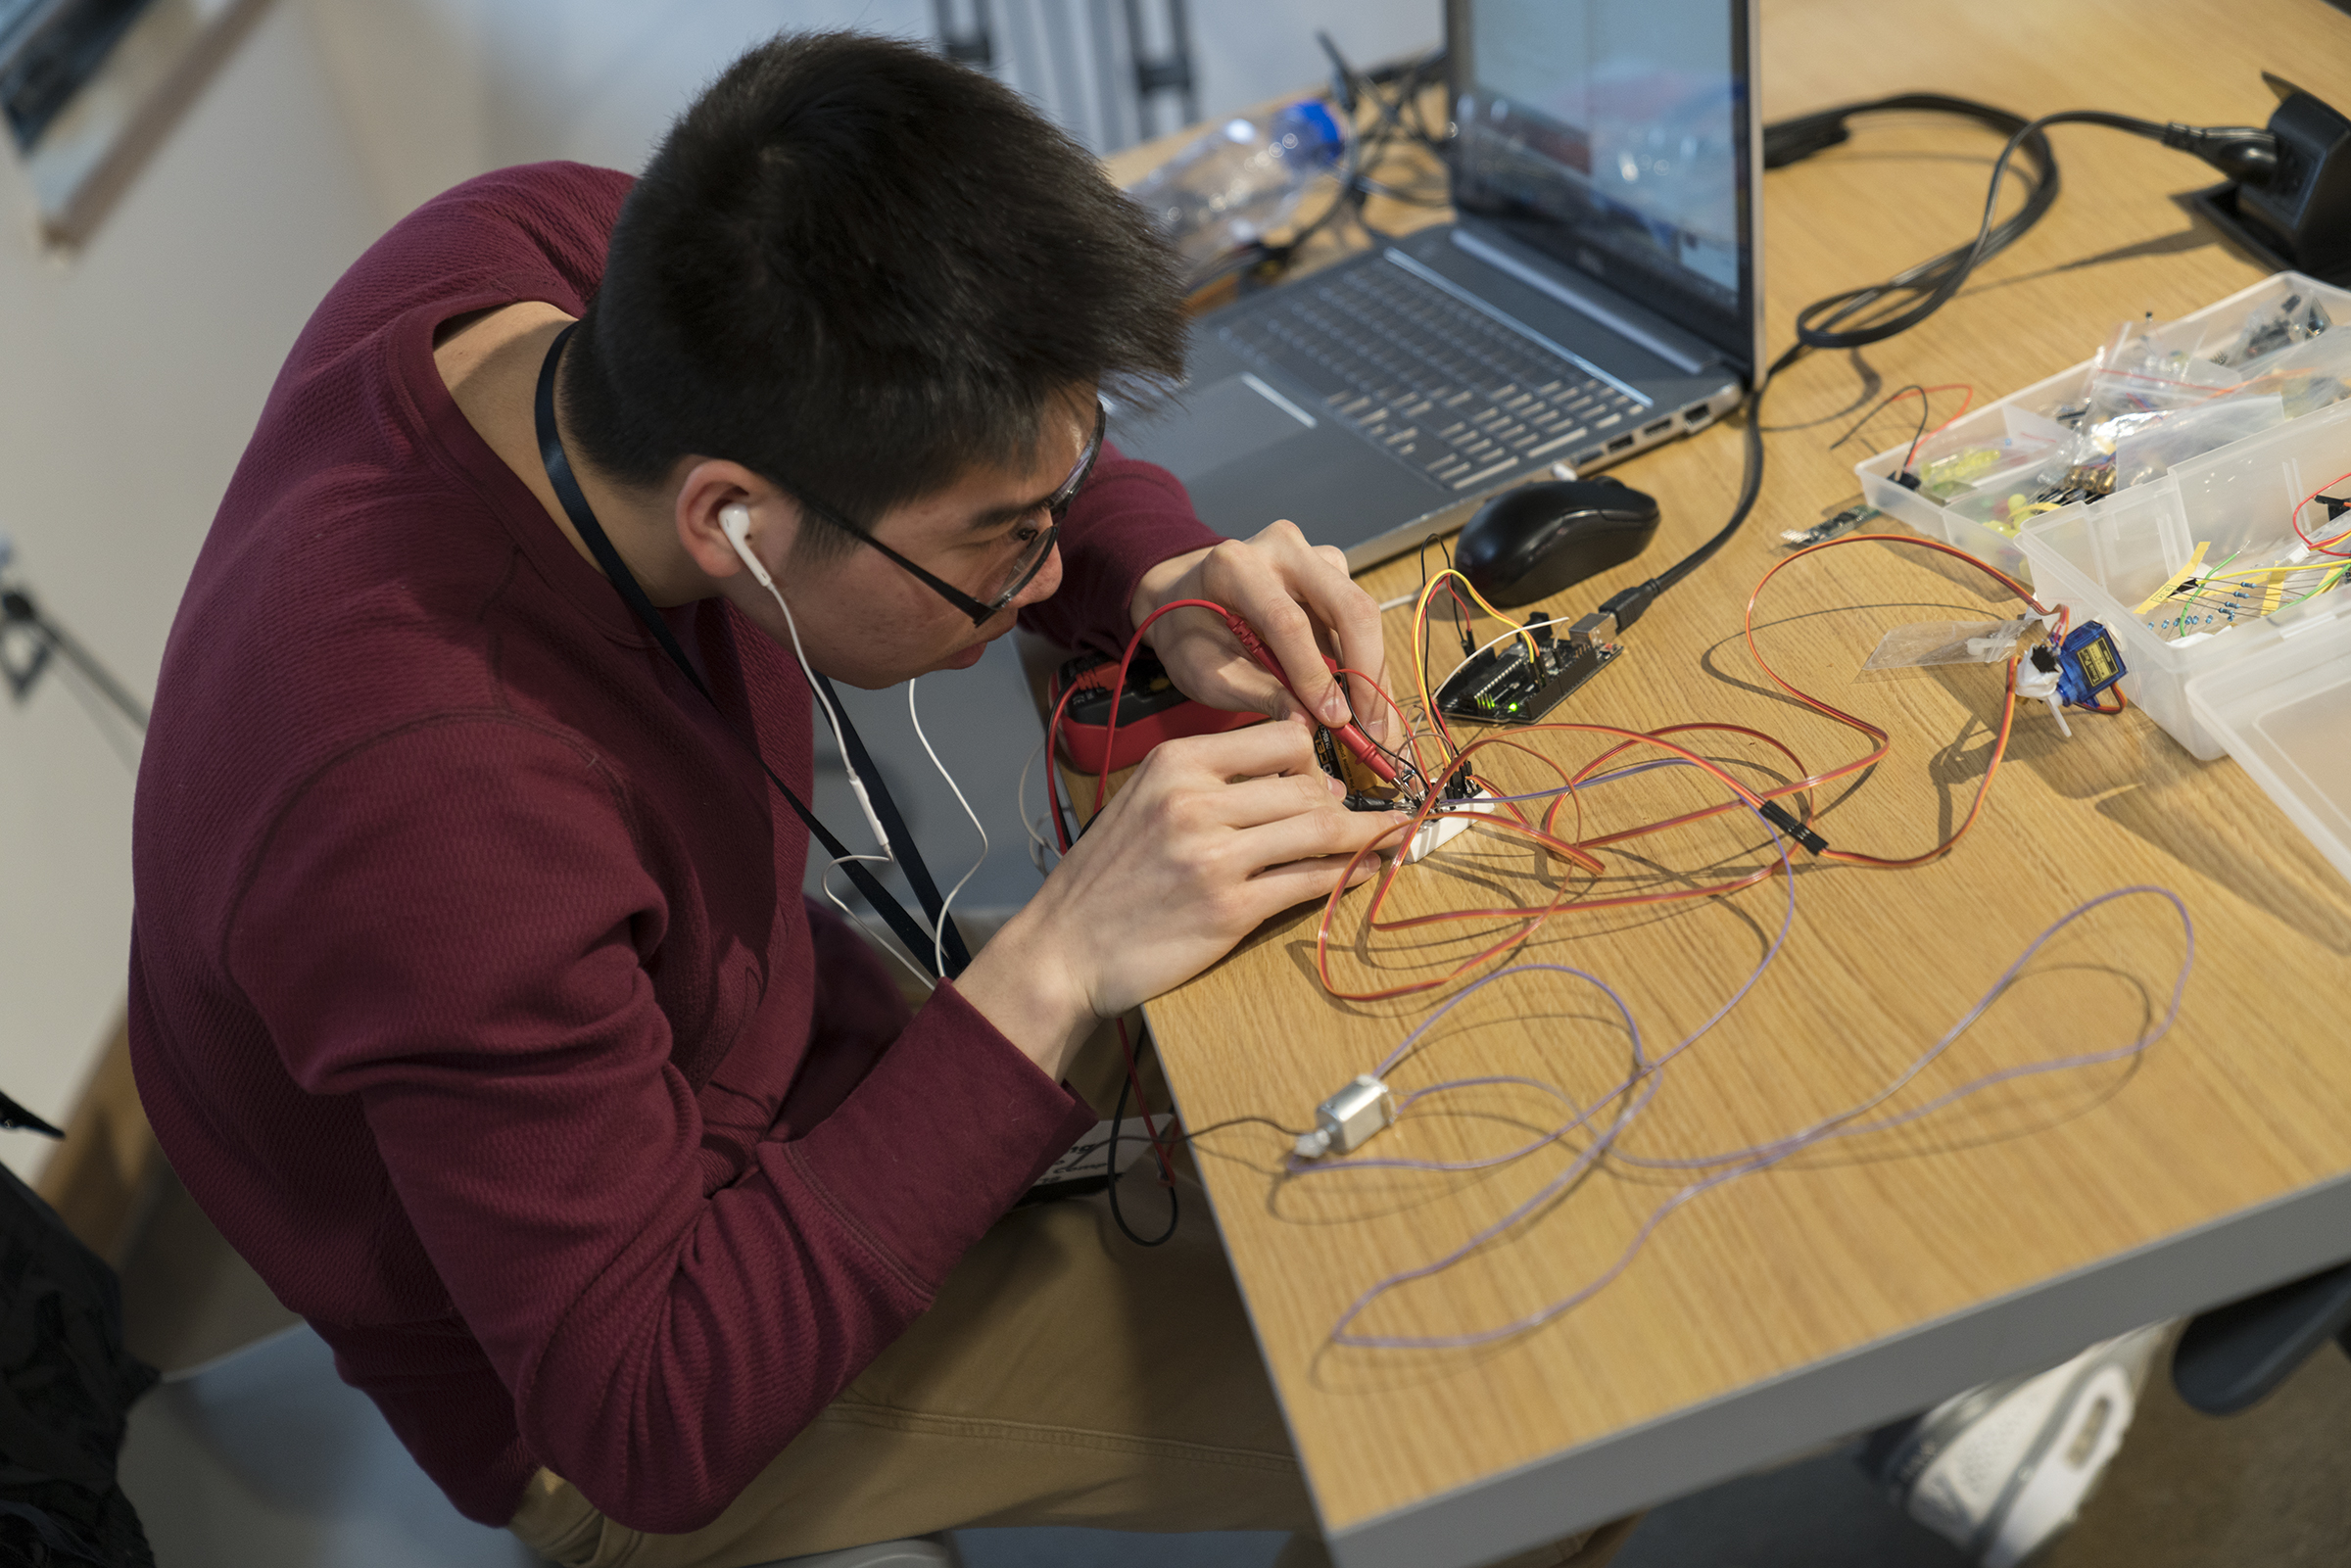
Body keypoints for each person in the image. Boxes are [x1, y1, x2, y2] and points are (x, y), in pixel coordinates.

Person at [125, 29, 1630, 1568]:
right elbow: (648, 1416)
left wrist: (1155, 568)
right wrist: (1049, 970)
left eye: (1055, 515)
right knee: (1511, 1417)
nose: (1049, 575)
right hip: (642, 1375)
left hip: (769, 1062)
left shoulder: (559, 261)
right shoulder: (427, 809)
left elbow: (982, 440)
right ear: (736, 521)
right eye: (1003, 542)